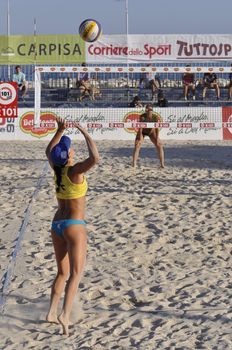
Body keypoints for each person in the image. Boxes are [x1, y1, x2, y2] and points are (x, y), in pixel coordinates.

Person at [45, 117, 99, 336]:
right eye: (69, 148)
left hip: (57, 223)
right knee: (76, 274)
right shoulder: (75, 171)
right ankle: (64, 315)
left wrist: (59, 130)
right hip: (74, 225)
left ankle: (51, 312)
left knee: (61, 273)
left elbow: (49, 151)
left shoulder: (56, 168)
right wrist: (85, 132)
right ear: (68, 155)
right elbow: (96, 157)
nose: (72, 150)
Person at [132, 104, 164, 168]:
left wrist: (157, 138)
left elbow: (157, 128)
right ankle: (134, 164)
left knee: (159, 145)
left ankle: (162, 165)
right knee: (137, 145)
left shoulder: (155, 117)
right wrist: (139, 136)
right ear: (146, 110)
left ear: (152, 110)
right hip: (143, 132)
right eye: (147, 109)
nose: (149, 111)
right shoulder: (142, 116)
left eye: (150, 109)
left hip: (151, 132)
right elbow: (140, 129)